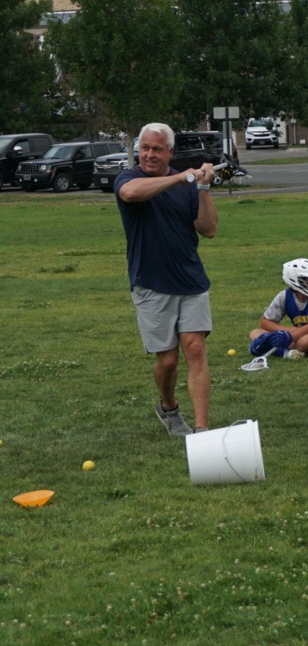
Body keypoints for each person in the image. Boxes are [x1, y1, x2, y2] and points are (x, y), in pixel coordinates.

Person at [115, 122, 218, 436]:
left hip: (190, 280)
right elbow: (131, 194)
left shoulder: (187, 187)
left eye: (156, 149)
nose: (149, 154)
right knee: (169, 361)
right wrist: (181, 177)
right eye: (145, 148)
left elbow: (208, 228)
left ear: (169, 152)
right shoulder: (129, 178)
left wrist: (201, 187)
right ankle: (168, 407)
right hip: (151, 283)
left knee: (196, 350)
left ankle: (202, 430)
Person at [247, 259, 308, 359]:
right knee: (255, 333)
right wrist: (286, 331)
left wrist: (288, 337)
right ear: (295, 280)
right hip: (296, 335)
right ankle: (286, 353)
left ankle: (277, 349)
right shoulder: (284, 296)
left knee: (306, 341)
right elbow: (265, 321)